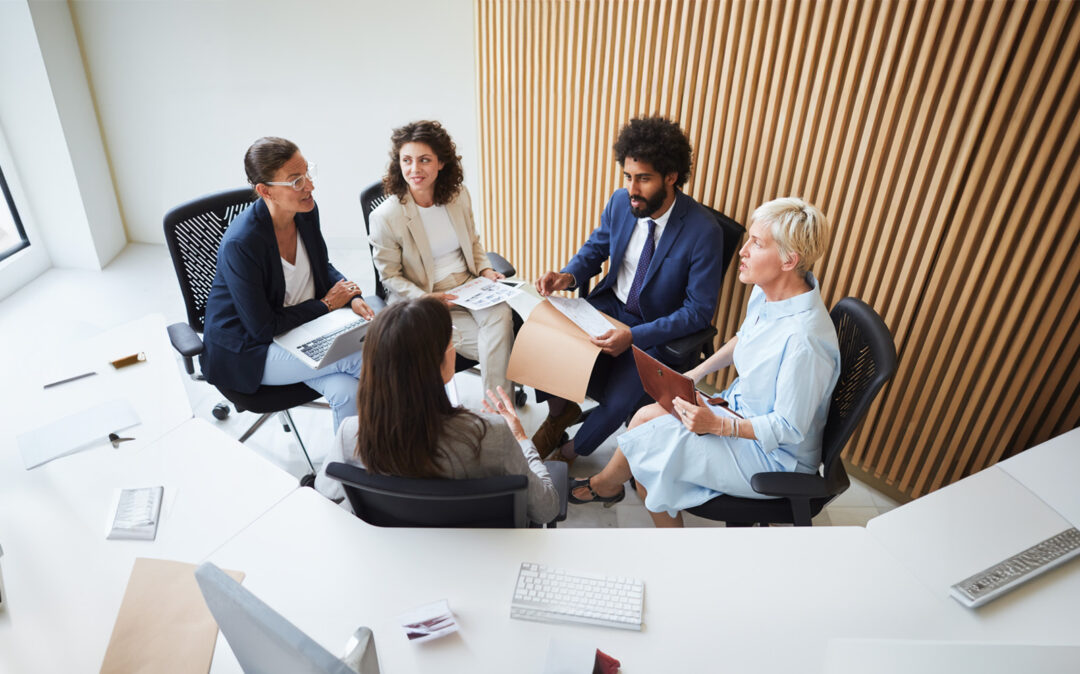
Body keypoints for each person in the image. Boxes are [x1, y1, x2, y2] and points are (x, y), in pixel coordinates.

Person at [568, 197, 841, 528]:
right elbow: (744, 337)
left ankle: (624, 504)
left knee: (647, 460)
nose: (742, 251)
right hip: (741, 411)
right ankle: (608, 487)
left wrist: (718, 425)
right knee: (643, 417)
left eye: (756, 244)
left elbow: (788, 428)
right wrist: (693, 374)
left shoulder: (804, 341)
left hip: (774, 455)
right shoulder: (771, 292)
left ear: (789, 260)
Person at [533, 116, 726, 462]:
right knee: (542, 337)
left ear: (671, 177)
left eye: (643, 179)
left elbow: (698, 311)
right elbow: (596, 248)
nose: (632, 189)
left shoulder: (703, 231)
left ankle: (570, 452)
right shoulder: (621, 202)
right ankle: (558, 415)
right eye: (628, 177)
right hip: (608, 307)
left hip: (653, 330)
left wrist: (634, 336)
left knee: (618, 401)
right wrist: (567, 276)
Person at [314, 297, 559, 525]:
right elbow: (546, 508)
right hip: (481, 558)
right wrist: (522, 439)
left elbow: (326, 492)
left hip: (397, 558)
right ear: (439, 365)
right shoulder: (493, 436)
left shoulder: (351, 434)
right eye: (451, 340)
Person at [202, 136, 374, 431]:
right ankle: (413, 440)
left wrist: (349, 294)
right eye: (296, 181)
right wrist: (326, 304)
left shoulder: (305, 212)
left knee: (348, 392)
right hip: (252, 351)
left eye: (308, 173)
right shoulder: (242, 244)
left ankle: (346, 473)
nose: (309, 186)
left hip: (300, 331)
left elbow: (322, 267)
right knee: (367, 358)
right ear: (265, 191)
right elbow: (261, 328)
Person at [369, 120, 514, 398]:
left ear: (441, 163)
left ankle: (499, 414)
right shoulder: (386, 217)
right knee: (503, 344)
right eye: (407, 160)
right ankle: (503, 416)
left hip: (468, 285)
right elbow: (389, 276)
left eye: (424, 160)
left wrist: (484, 269)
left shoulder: (458, 196)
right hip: (424, 294)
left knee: (502, 315)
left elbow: (472, 242)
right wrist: (424, 298)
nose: (414, 169)